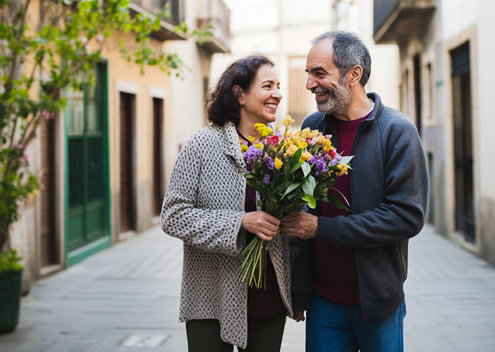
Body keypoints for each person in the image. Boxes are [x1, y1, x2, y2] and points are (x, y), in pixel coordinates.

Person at [281, 31, 428, 352]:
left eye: (319, 73)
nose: (309, 84)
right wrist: (298, 291)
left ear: (354, 74)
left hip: (378, 304)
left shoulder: (398, 132)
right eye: (307, 74)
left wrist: (323, 228)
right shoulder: (313, 127)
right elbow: (302, 209)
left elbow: (407, 217)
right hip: (323, 305)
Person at [161, 55, 293, 352]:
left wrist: (297, 292)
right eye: (268, 85)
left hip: (268, 294)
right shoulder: (201, 145)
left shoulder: (285, 150)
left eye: (279, 86)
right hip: (210, 295)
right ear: (240, 94)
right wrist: (240, 222)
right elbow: (173, 215)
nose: (277, 94)